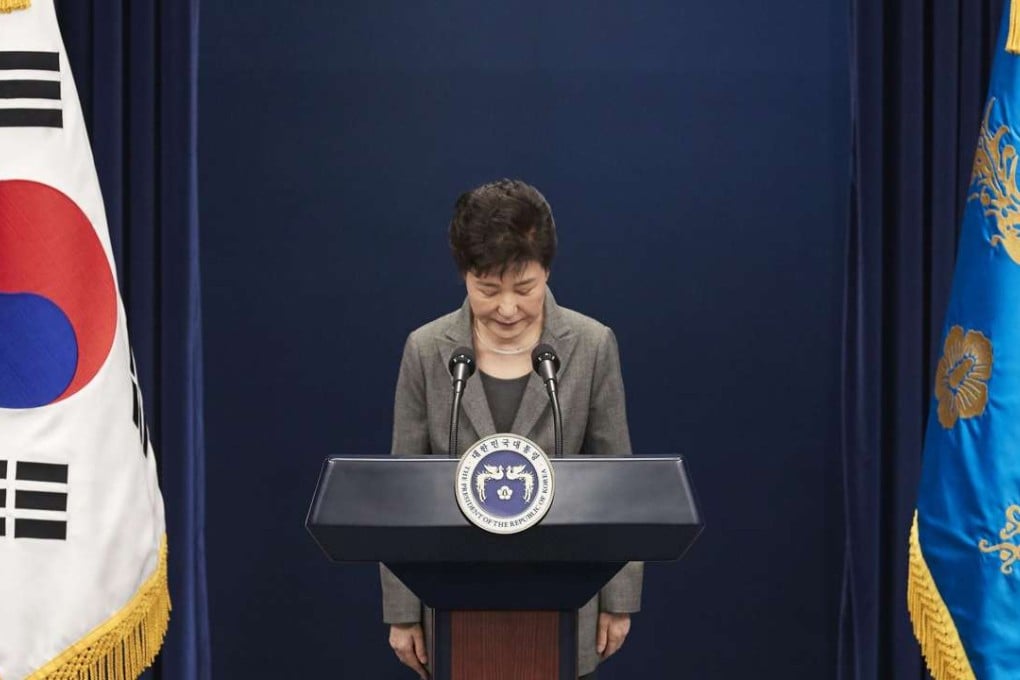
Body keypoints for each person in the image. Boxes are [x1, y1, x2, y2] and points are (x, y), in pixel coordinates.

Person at [381, 179, 642, 679]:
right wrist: (401, 611)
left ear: (547, 270)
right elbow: (401, 491)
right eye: (487, 289)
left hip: (565, 594)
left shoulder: (591, 345)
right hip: (453, 598)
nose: (506, 308)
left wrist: (620, 597)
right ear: (464, 275)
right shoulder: (428, 349)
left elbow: (620, 480)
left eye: (524, 288)